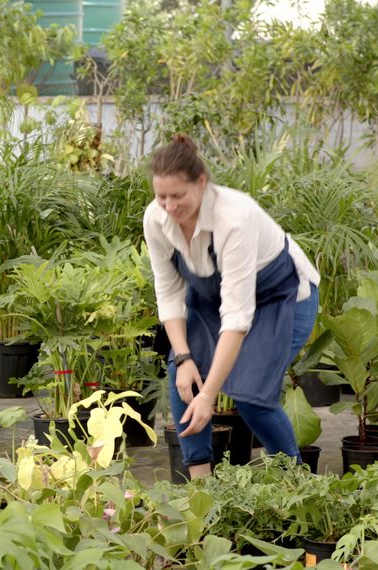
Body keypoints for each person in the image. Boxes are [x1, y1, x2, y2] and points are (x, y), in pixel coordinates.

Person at [143, 134, 320, 479]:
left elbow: (237, 318)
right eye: (161, 196)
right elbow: (169, 292)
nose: (169, 206)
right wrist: (183, 357)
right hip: (214, 298)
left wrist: (210, 395)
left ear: (202, 184)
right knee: (184, 376)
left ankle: (297, 485)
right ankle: (201, 491)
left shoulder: (234, 218)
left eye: (178, 196)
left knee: (252, 395)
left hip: (280, 297)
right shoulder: (156, 219)